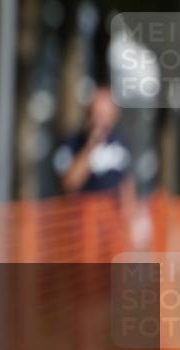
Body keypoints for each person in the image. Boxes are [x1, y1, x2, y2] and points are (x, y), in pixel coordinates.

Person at [53, 85, 144, 246]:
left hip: (112, 232)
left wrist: (131, 220)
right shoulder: (72, 143)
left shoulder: (120, 142)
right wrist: (91, 146)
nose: (100, 120)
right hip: (81, 232)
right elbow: (69, 182)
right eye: (96, 114)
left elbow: (126, 181)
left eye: (105, 115)